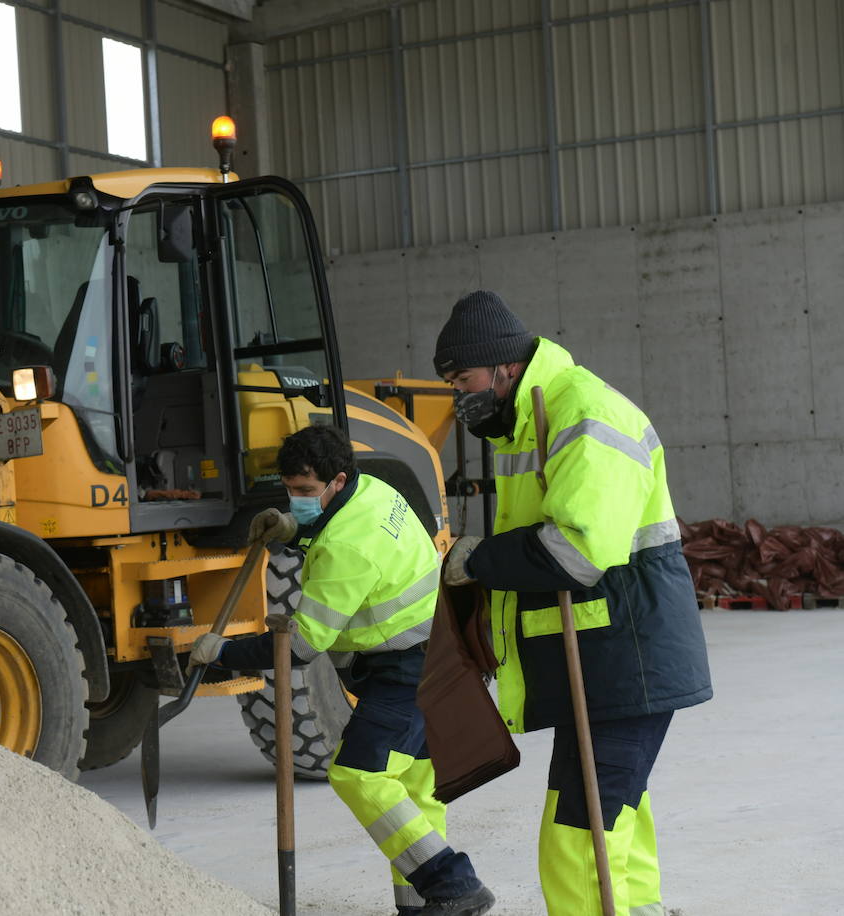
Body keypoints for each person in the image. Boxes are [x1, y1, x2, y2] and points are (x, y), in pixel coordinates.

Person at [434, 290, 712, 916]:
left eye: (463, 378)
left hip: (626, 658)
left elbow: (575, 553)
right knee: (616, 814)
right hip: (599, 658)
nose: (458, 394)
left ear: (503, 365)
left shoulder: (583, 412)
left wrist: (475, 559)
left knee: (577, 833)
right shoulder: (530, 421)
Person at [190, 425, 494, 916]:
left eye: (307, 492)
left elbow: (303, 645)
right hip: (443, 652)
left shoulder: (345, 550)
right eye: (290, 490)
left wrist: (222, 653)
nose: (298, 499)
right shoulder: (374, 489)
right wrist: (294, 529)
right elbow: (333, 524)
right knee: (417, 789)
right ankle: (419, 907)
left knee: (358, 774)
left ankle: (456, 885)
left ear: (336, 479)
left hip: (409, 668)